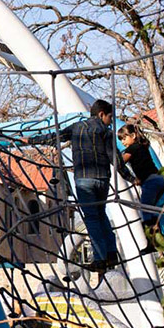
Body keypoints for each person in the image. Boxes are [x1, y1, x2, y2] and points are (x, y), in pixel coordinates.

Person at [53, 99, 128, 271]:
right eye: (110, 117)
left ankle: (99, 258)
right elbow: (115, 159)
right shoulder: (106, 132)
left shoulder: (77, 127)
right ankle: (111, 254)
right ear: (101, 114)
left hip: (84, 180)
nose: (111, 121)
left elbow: (56, 137)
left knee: (92, 219)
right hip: (102, 180)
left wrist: (32, 140)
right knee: (101, 216)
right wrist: (130, 177)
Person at [117, 123, 164, 225]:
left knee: (145, 207)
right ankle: (155, 223)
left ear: (133, 136)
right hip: (158, 179)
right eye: (120, 139)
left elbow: (121, 161)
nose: (122, 142)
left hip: (150, 181)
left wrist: (114, 156)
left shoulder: (133, 148)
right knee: (152, 206)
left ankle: (150, 226)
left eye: (124, 138)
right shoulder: (142, 146)